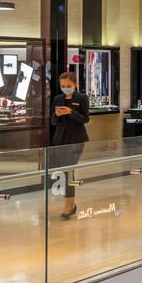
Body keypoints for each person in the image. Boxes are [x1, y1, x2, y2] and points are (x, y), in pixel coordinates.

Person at [50, 71, 90, 219]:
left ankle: (69, 204)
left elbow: (85, 119)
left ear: (75, 85)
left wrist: (71, 112)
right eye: (63, 86)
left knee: (68, 170)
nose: (66, 88)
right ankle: (70, 204)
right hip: (60, 140)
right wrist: (57, 115)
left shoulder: (82, 98)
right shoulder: (57, 99)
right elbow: (53, 122)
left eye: (68, 85)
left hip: (76, 140)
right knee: (62, 171)